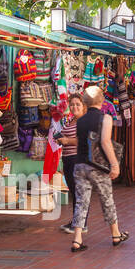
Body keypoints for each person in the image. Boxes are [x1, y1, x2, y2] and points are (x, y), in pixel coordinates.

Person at [70, 85, 128, 252]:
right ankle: (116, 234)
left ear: (85, 102)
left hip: (79, 164)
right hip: (98, 167)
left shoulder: (80, 120)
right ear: (102, 101)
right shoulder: (106, 118)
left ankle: (77, 239)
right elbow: (105, 142)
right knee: (107, 200)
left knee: (81, 202)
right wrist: (114, 164)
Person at [56, 93, 84, 233]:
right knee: (74, 191)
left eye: (77, 104)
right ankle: (75, 221)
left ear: (83, 106)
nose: (74, 107)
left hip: (77, 159)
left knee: (79, 192)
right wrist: (61, 139)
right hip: (67, 158)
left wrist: (67, 141)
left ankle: (81, 225)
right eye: (72, 104)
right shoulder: (71, 120)